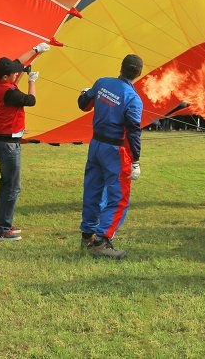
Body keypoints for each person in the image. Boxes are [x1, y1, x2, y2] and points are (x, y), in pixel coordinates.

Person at [78, 54, 144, 259]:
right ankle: (101, 241)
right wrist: (135, 161)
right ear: (139, 73)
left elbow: (83, 104)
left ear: (121, 67)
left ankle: (87, 235)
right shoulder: (133, 98)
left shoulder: (102, 83)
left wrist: (84, 93)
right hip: (115, 151)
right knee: (119, 197)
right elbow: (133, 132)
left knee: (93, 191)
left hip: (96, 145)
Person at [0, 42, 51, 241]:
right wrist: (32, 81)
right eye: (13, 75)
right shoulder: (9, 93)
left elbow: (18, 63)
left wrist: (36, 50)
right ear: (4, 77)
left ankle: (2, 222)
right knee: (12, 187)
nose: (17, 74)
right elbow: (31, 100)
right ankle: (2, 229)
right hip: (8, 145)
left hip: (1, 142)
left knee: (6, 184)